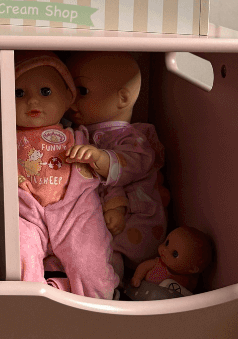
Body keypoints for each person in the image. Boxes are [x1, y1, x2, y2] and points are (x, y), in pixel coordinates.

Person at [15, 52, 117, 300]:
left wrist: (95, 156)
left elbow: (109, 177)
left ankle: (98, 303)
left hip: (75, 210)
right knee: (20, 255)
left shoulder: (79, 135)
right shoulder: (9, 136)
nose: (32, 101)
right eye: (19, 93)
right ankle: (31, 304)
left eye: (45, 91)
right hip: (26, 212)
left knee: (90, 263)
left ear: (68, 97)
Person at [65, 52, 168, 270]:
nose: (72, 102)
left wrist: (100, 158)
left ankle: (111, 280)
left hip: (134, 223)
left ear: (123, 98)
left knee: (107, 260)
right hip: (98, 221)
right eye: (69, 91)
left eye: (82, 91)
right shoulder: (77, 133)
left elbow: (134, 164)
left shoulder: (133, 137)